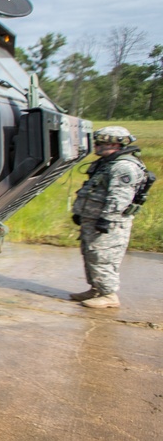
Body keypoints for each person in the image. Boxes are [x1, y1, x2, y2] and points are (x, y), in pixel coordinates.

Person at [69, 126, 148, 309]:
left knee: (102, 256)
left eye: (100, 143)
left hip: (108, 222)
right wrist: (81, 213)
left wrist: (106, 218)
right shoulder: (107, 163)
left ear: (115, 144)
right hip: (93, 217)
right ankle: (96, 289)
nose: (96, 147)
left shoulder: (123, 167)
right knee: (90, 252)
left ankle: (109, 295)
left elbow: (120, 196)